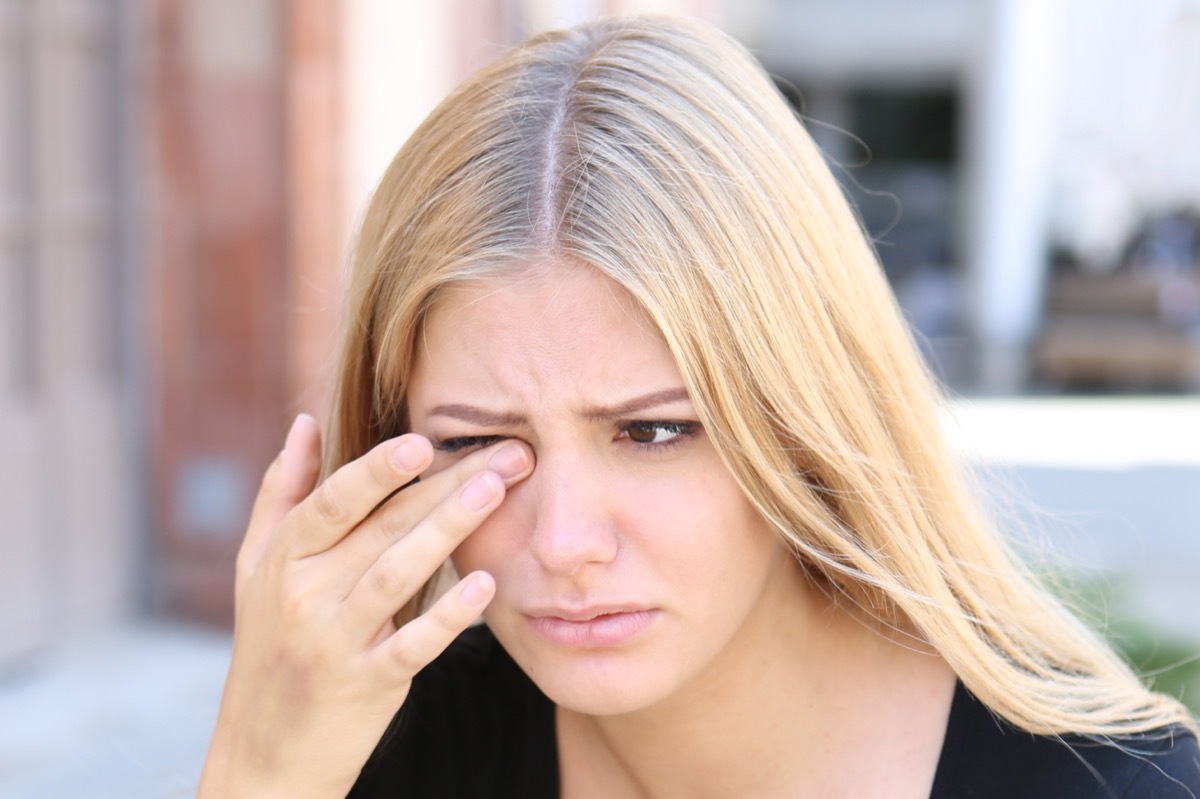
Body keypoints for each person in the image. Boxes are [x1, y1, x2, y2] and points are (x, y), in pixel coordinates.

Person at [198, 14, 1200, 799]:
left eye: (653, 430)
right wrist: (256, 772)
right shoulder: (380, 752)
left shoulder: (1113, 790)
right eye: (478, 444)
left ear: (805, 416)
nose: (565, 541)